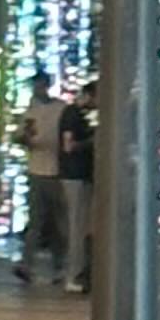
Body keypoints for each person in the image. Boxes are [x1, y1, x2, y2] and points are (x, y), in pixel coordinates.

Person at [13, 66, 67, 283]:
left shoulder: (60, 109)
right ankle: (28, 264)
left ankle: (60, 265)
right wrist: (25, 137)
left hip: (56, 171)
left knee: (57, 222)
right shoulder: (30, 112)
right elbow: (20, 137)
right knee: (37, 220)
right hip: (37, 170)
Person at [59, 79, 95, 292]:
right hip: (75, 176)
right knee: (77, 227)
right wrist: (91, 142)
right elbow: (68, 146)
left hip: (80, 176)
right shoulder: (73, 115)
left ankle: (76, 273)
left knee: (79, 227)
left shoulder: (79, 115)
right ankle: (73, 274)